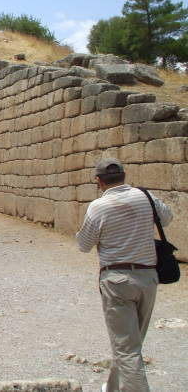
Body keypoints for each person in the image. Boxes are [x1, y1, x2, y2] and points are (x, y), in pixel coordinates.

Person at [76, 158, 173, 392]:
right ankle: (113, 387)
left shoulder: (99, 206)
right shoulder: (145, 197)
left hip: (117, 280)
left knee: (127, 347)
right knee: (131, 342)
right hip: (148, 278)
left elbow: (84, 244)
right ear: (124, 175)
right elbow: (167, 218)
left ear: (99, 181)